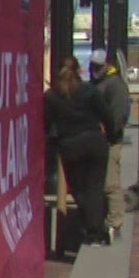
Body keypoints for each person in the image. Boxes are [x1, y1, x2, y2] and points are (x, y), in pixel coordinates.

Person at [45, 56, 116, 247]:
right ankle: (96, 231)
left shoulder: (52, 96)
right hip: (95, 142)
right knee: (95, 188)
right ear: (79, 71)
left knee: (79, 190)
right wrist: (112, 135)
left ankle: (90, 228)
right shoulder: (90, 91)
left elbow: (45, 125)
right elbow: (107, 116)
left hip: (70, 146)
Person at [90, 49, 131, 239]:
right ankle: (109, 219)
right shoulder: (101, 83)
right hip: (99, 139)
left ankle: (115, 223)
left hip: (110, 140)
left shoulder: (115, 85)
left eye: (97, 66)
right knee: (104, 182)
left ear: (106, 64)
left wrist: (110, 133)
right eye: (93, 65)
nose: (93, 69)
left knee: (110, 183)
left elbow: (117, 115)